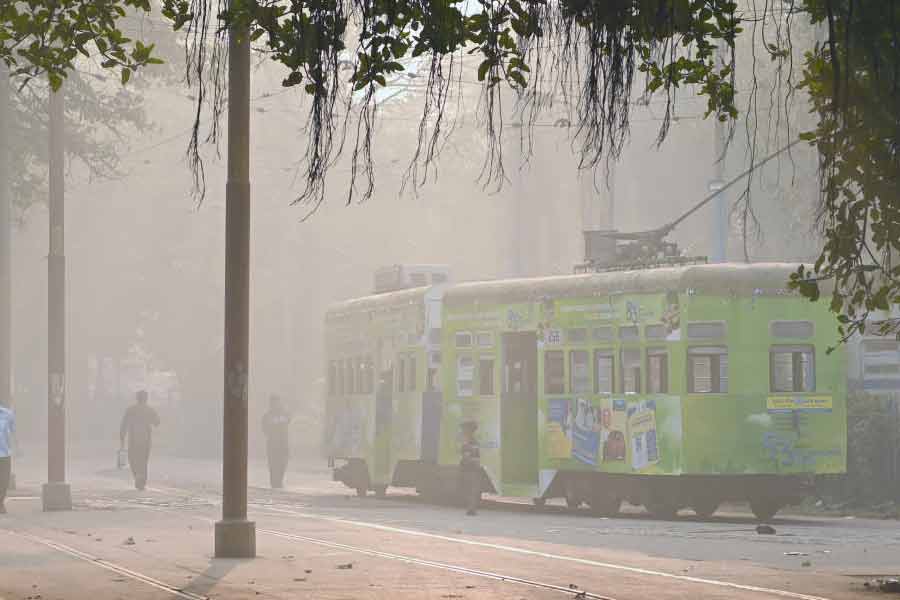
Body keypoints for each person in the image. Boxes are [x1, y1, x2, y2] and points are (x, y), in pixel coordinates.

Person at [120, 390, 160, 490]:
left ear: (137, 398)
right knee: (143, 461)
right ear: (146, 398)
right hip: (146, 440)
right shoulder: (149, 410)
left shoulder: (131, 410)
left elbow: (124, 425)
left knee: (133, 460)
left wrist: (122, 439)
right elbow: (157, 423)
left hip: (133, 440)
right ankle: (141, 481)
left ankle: (138, 477)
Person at [261, 394, 292, 489]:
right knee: (273, 464)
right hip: (272, 444)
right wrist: (272, 433)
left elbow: (289, 419)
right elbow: (264, 429)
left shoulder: (285, 413)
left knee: (283, 463)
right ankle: (274, 483)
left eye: (278, 402)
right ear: (271, 404)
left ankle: (279, 481)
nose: (277, 404)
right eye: (274, 402)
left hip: (283, 444)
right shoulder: (267, 416)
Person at [459, 420, 481, 516]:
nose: (463, 431)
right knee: (470, 489)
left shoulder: (471, 441)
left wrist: (467, 459)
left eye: (464, 430)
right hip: (470, 468)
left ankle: (471, 509)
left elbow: (470, 456)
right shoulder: (471, 441)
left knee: (471, 489)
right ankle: (471, 509)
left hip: (470, 468)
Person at [0, 403, 15, 514]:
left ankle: (0, 502)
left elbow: (12, 432)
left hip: (4, 453)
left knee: (4, 480)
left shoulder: (8, 414)